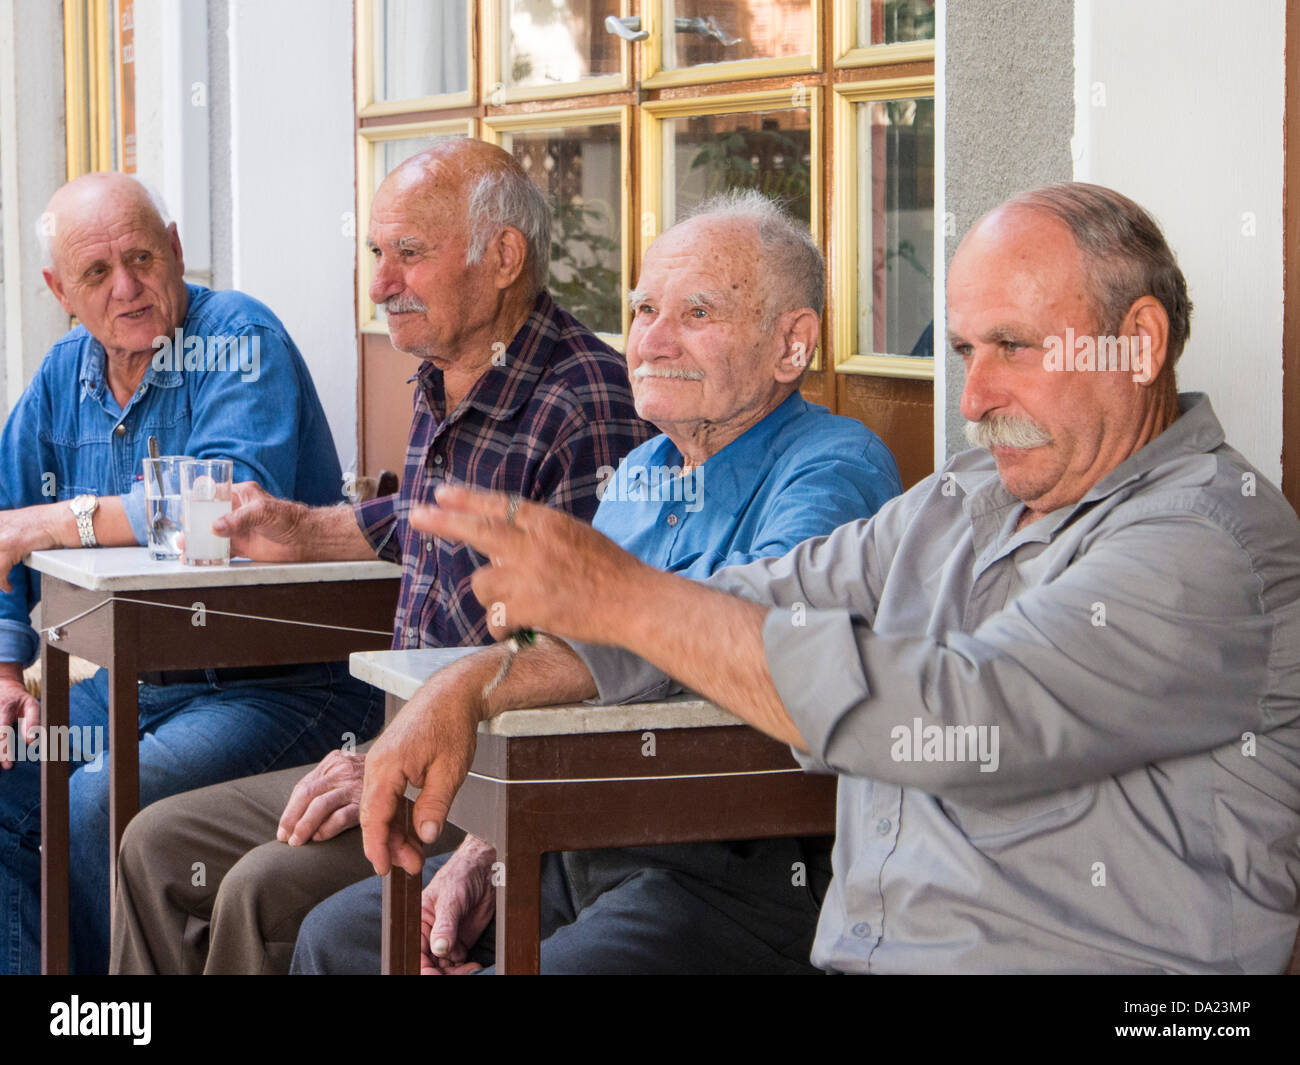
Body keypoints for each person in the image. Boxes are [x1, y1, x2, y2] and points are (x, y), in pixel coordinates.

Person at [357, 182, 1300, 973]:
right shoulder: (964, 499)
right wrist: (474, 682)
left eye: (1013, 348)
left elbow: (957, 718)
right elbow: (752, 600)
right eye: (966, 352)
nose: (972, 399)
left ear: (1137, 343)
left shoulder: (1206, 542)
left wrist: (624, 593)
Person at [291, 189, 902, 975]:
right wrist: (485, 852)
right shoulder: (641, 472)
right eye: (645, 308)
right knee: (340, 938)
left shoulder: (833, 466)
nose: (652, 339)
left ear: (792, 345)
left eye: (697, 313)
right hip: (574, 844)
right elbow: (565, 661)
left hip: (727, 871)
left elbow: (745, 638)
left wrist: (476, 679)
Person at [109, 139, 650, 975]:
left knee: (257, 886)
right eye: (375, 254)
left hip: (482, 789)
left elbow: (584, 659)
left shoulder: (583, 406)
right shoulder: (446, 374)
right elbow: (412, 521)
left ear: (503, 257)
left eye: (408, 254)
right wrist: (292, 526)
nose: (378, 284)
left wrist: (400, 775)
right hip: (391, 747)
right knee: (152, 841)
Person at [0, 172, 377, 974]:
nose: (127, 288)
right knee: (6, 775)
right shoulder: (62, 376)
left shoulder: (239, 337)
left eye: (141, 257)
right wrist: (3, 668)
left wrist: (61, 519)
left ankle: (112, 1016)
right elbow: (5, 531)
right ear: (58, 289)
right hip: (137, 688)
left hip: (279, 684)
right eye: (97, 274)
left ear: (175, 248)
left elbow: (222, 513)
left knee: (97, 800)